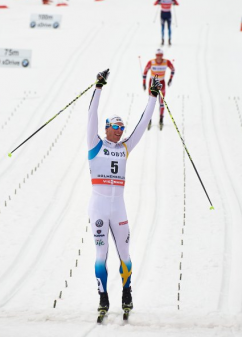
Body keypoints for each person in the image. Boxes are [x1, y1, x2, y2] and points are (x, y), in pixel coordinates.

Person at [87, 69, 162, 315]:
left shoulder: (125, 148)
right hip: (98, 206)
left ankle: (127, 291)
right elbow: (91, 117)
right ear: (107, 128)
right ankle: (103, 297)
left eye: (121, 128)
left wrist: (153, 95)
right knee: (101, 253)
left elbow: (142, 124)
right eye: (115, 127)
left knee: (125, 253)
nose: (120, 131)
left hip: (118, 207)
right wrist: (98, 87)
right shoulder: (95, 145)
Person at [142, 49, 175, 129]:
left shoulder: (166, 62)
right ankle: (149, 119)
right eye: (157, 56)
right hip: (152, 83)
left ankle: (161, 118)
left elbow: (173, 70)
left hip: (161, 83)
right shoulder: (151, 62)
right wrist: (144, 83)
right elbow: (145, 72)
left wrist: (170, 79)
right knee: (151, 102)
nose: (159, 58)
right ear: (156, 56)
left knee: (161, 102)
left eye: (160, 56)